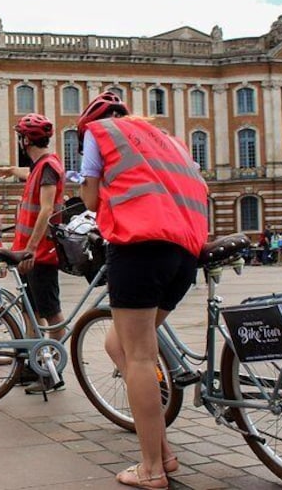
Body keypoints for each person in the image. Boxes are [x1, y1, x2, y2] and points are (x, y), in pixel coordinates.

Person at [77, 91, 208, 489]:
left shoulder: (98, 133)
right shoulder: (169, 140)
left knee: (137, 356)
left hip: (139, 247)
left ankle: (150, 470)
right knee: (119, 344)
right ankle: (164, 452)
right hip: (185, 253)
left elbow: (90, 196)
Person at [0, 113, 66, 395]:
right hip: (29, 253)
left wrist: (32, 250)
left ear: (25, 140)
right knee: (33, 312)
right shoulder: (40, 167)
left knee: (52, 314)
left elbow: (47, 209)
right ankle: (35, 366)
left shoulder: (48, 167)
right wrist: (13, 170)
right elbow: (32, 173)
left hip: (40, 255)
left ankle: (54, 370)